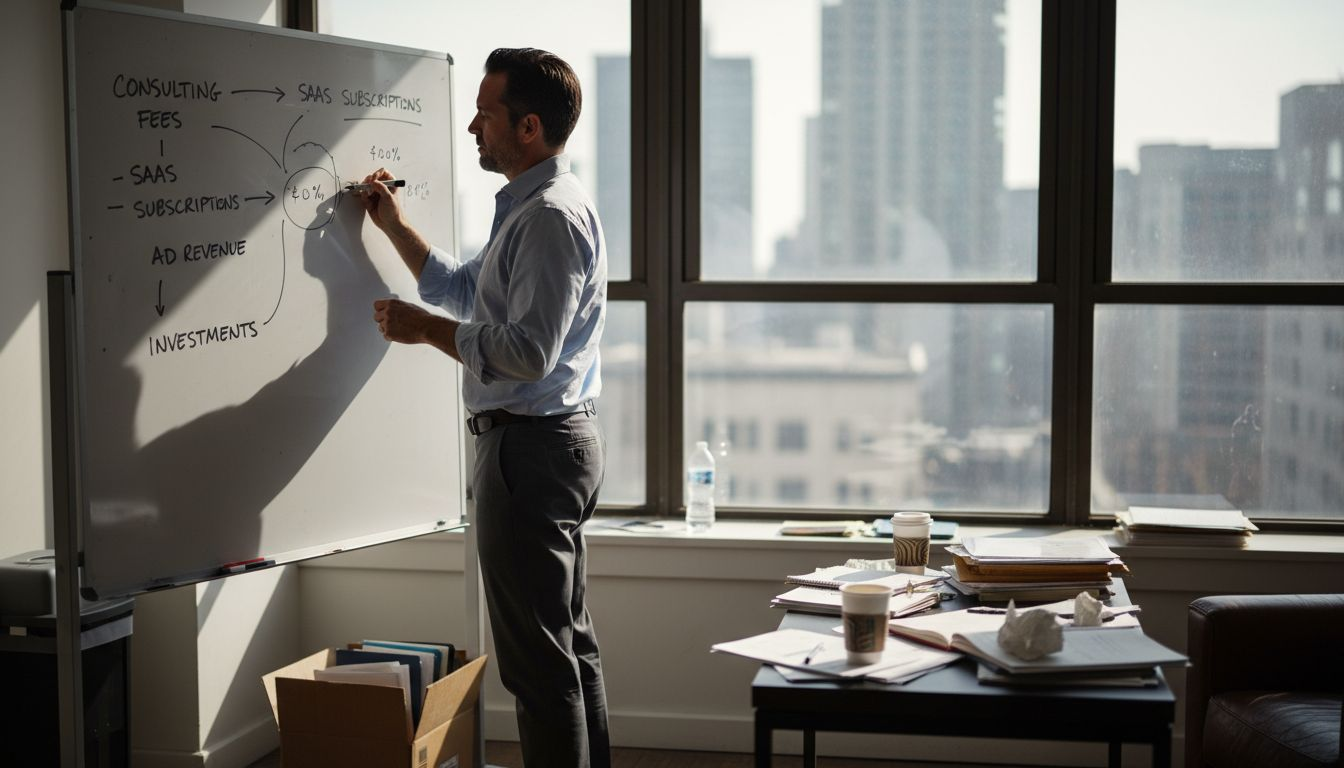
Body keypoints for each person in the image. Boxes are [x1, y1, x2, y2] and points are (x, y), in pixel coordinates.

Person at [357, 48, 609, 768]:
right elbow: (469, 294)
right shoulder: (531, 208)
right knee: (566, 646)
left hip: (531, 451)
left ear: (528, 126)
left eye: (486, 113)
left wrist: (424, 331)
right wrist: (395, 225)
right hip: (545, 444)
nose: (472, 125)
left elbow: (528, 351)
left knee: (537, 665)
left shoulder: (550, 219)